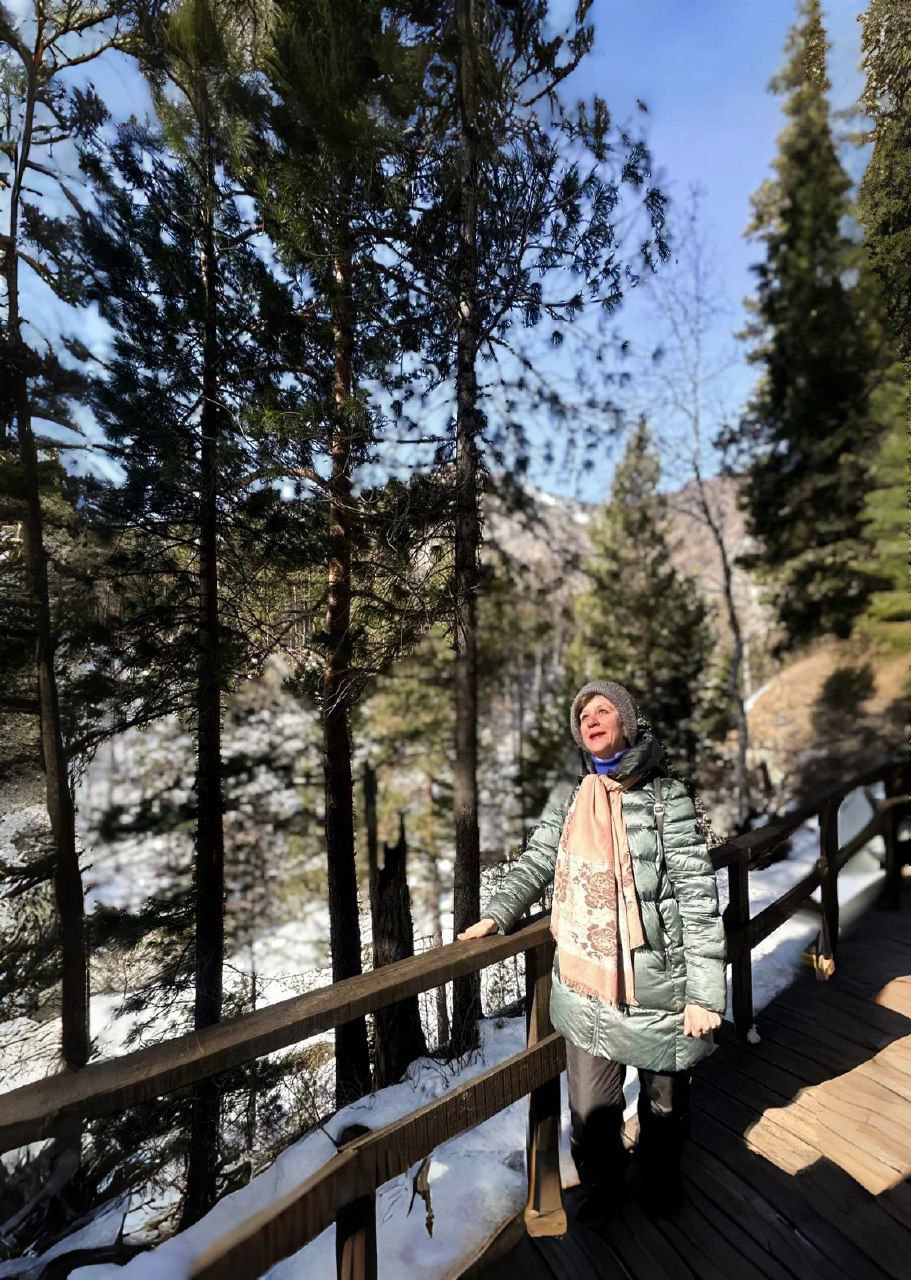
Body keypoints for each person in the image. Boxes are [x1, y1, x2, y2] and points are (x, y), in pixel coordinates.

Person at [458, 679, 726, 1227]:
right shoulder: (571, 798)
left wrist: (704, 995)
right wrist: (499, 912)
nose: (593, 719)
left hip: (658, 984)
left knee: (665, 1106)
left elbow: (698, 898)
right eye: (585, 715)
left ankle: (660, 1180)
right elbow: (537, 861)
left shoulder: (666, 797)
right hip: (586, 984)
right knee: (588, 1111)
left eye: (605, 710)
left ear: (627, 722)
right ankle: (604, 1188)